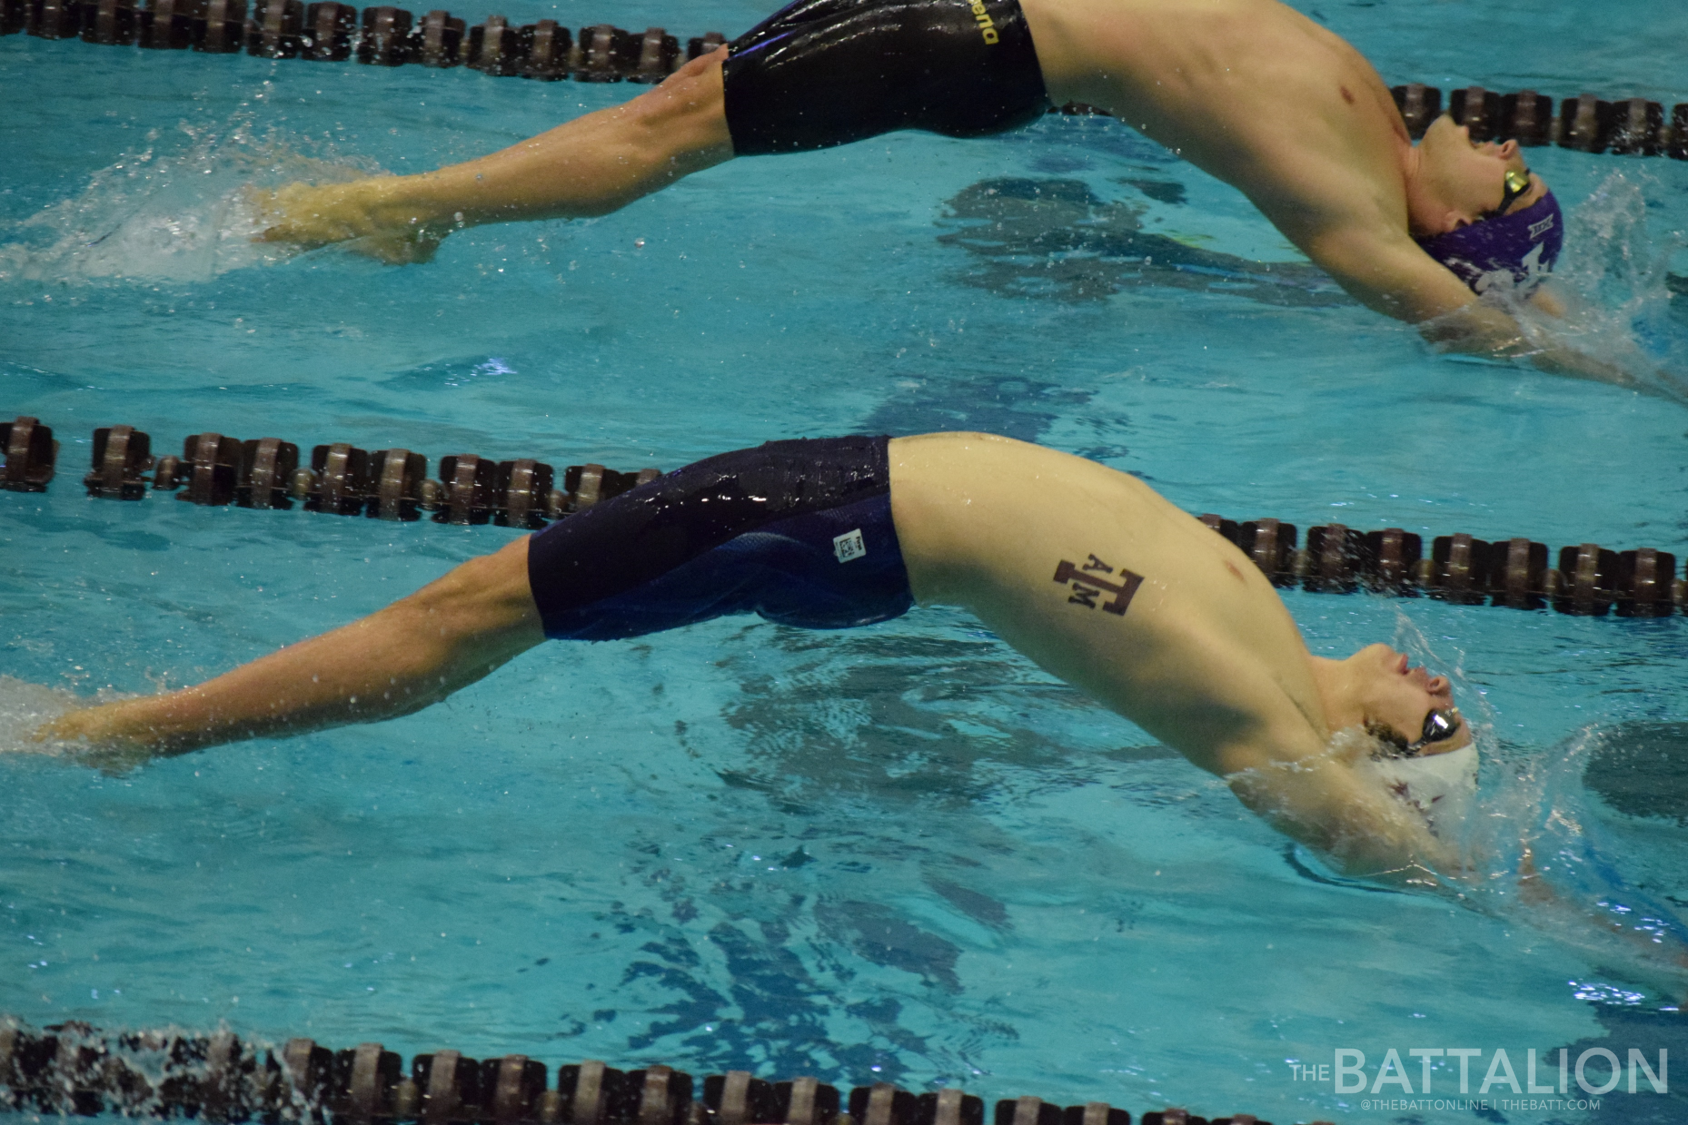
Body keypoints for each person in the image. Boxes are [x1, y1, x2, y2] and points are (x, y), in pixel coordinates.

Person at [32, 432, 1474, 882]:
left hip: (839, 522)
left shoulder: (1257, 706)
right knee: (472, 613)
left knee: (464, 620)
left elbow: (1345, 826)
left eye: (1440, 731)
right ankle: (140, 727)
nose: (1443, 692)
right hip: (858, 510)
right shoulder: (1278, 640)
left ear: (1383, 757)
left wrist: (1508, 899)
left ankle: (132, 733)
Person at [255, 0, 1581, 369]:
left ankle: (394, 212)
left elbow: (1437, 310)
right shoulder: (1365, 122)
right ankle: (411, 206)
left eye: (1515, 189)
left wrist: (1598, 360)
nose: (1516, 156)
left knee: (670, 133)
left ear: (1454, 222)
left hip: (969, 41)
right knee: (678, 109)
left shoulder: (1349, 196)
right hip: (968, 27)